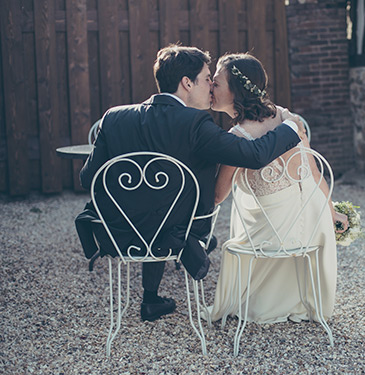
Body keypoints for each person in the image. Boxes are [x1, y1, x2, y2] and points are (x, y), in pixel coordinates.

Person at [76, 44, 304, 323]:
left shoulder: (114, 117)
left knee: (154, 205)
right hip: (176, 236)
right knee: (167, 209)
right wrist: (290, 126)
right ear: (187, 83)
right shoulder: (196, 124)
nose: (211, 86)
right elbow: (254, 155)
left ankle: (151, 298)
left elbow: (88, 178)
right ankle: (154, 294)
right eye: (207, 78)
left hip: (119, 233)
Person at [208, 53, 348, 324]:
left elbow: (218, 196)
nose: (211, 88)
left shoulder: (237, 138)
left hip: (273, 233)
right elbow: (314, 172)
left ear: (235, 90)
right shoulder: (289, 118)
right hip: (311, 224)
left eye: (216, 83)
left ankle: (262, 300)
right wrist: (332, 214)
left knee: (236, 234)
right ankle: (300, 299)